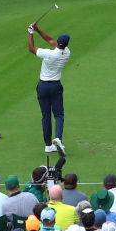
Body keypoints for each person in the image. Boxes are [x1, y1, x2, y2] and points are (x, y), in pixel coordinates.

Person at [28, 23, 71, 155]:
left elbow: (31, 48)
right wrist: (38, 29)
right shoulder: (67, 53)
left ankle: (48, 145)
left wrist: (31, 33)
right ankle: (58, 138)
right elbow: (50, 40)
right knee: (59, 115)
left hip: (43, 86)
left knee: (45, 115)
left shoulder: (48, 54)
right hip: (56, 86)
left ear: (58, 42)